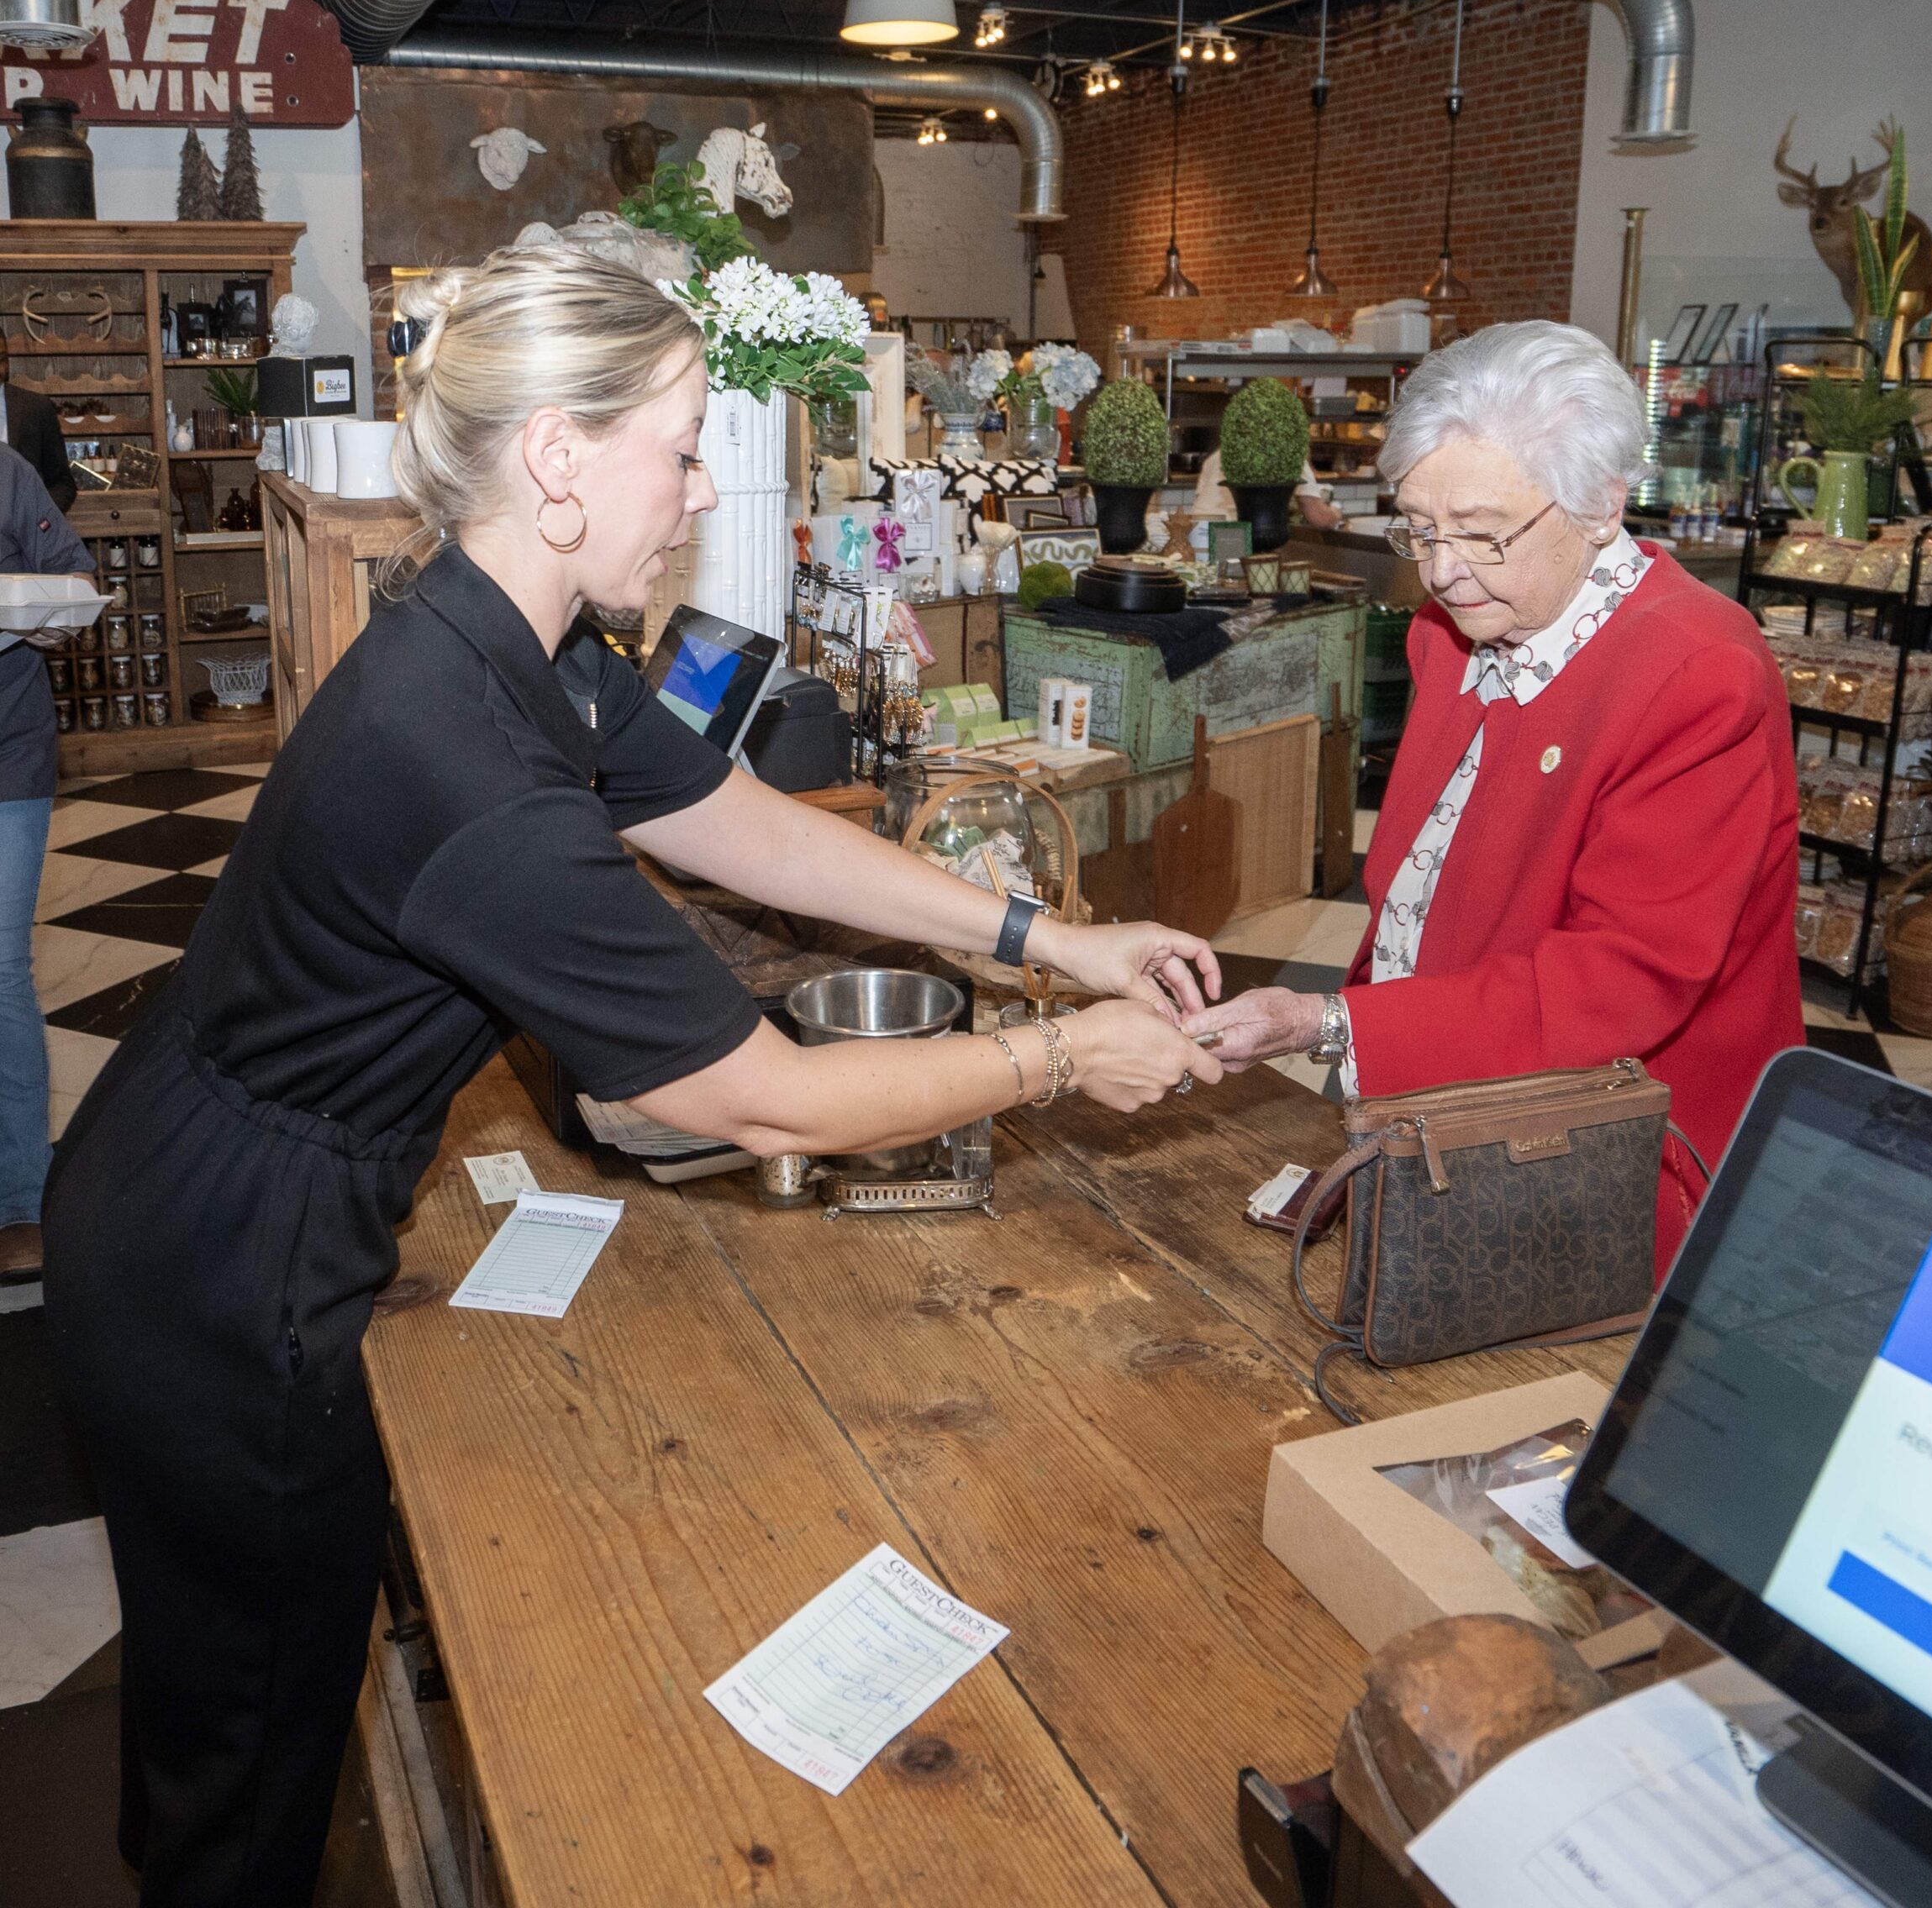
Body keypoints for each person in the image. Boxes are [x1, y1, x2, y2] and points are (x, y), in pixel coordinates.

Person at [41, 247, 1224, 1907]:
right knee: (246, 1764)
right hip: (225, 1261)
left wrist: (1045, 935)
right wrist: (1056, 1052)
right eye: (676, 442)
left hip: (193, 1159)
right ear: (555, 454)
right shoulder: (461, 756)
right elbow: (765, 1098)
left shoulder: (517, 645)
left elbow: (730, 821)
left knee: (220, 1708)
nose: (690, 488)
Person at [1206, 320, 1803, 1275]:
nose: (1441, 570)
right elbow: (1416, 905)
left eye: (1483, 534)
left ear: (1602, 505)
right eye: (1421, 528)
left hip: (1614, 1169)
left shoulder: (1701, 675)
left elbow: (1616, 985)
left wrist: (1331, 1025)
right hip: (1451, 1115)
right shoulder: (1452, 633)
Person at [0, 444, 92, 1282]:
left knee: (0, 971)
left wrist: (40, 610)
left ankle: (21, 1200)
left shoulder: (8, 474)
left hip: (9, 754)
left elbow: (75, 580)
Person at [0, 346, 78, 512]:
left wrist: (41, 519)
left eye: (1, 358)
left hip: (23, 532)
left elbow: (62, 482)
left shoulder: (36, 408)